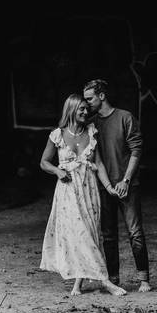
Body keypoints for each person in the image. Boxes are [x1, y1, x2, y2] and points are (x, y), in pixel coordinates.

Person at [39, 94, 127, 297]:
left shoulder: (91, 132)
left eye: (86, 109)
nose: (86, 112)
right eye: (81, 109)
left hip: (89, 188)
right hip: (68, 191)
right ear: (71, 110)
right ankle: (105, 281)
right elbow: (44, 162)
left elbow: (100, 164)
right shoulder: (57, 135)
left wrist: (108, 186)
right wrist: (57, 171)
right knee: (80, 232)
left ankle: (78, 284)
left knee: (89, 232)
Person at [83, 78, 151, 292]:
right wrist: (109, 185)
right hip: (104, 187)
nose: (86, 104)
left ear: (102, 96)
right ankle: (114, 279)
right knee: (109, 235)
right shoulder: (92, 124)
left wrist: (126, 180)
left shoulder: (125, 117)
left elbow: (136, 150)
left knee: (135, 232)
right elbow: (96, 159)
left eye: (90, 98)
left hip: (128, 185)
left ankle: (144, 280)